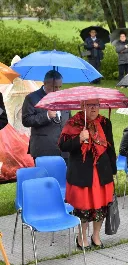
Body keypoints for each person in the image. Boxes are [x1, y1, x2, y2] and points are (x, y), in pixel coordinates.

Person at [58, 99, 117, 249]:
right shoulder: (73, 123)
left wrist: (113, 170)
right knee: (83, 206)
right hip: (81, 172)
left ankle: (96, 235)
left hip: (102, 171)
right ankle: (82, 237)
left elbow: (110, 147)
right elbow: (63, 146)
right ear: (82, 106)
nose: (93, 108)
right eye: (89, 105)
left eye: (96, 105)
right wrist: (79, 139)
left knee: (101, 206)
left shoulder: (104, 122)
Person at [22, 70, 71, 163]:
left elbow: (69, 119)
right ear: (44, 83)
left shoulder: (64, 98)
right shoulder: (32, 98)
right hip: (44, 149)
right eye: (54, 87)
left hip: (65, 150)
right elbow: (26, 120)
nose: (57, 90)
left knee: (64, 177)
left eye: (59, 87)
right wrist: (46, 116)